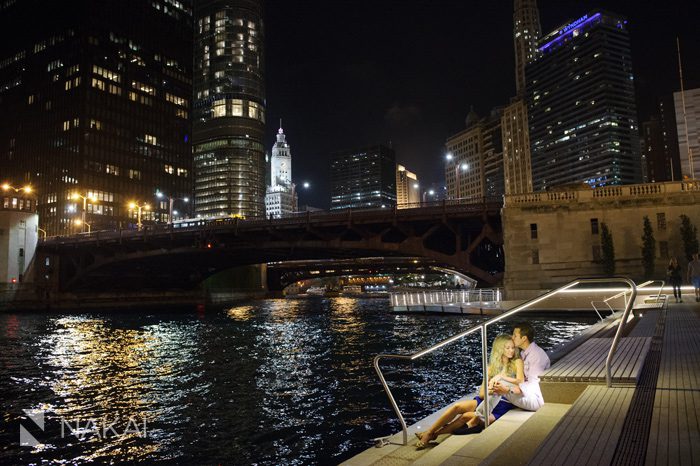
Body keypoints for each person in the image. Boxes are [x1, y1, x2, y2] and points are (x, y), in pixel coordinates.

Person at [415, 334, 523, 449]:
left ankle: (432, 435)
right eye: (507, 348)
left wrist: (501, 379)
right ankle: (430, 432)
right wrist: (492, 389)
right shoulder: (490, 367)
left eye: (512, 347)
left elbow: (520, 381)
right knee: (457, 406)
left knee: (466, 416)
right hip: (488, 397)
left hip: (504, 402)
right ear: (500, 348)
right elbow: (482, 393)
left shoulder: (517, 362)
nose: (511, 350)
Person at [491, 322, 550, 412]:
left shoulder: (536, 356)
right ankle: (482, 413)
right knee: (498, 384)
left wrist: (509, 390)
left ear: (524, 338)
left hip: (536, 399)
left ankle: (481, 415)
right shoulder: (524, 352)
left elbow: (534, 385)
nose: (512, 338)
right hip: (528, 394)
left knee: (500, 383)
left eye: (515, 336)